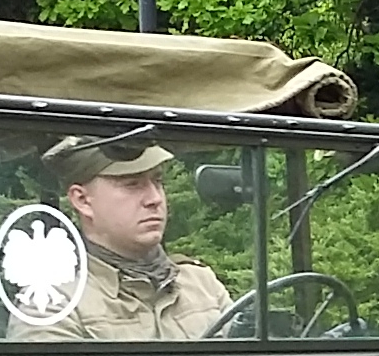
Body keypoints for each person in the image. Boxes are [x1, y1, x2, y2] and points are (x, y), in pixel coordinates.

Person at [12, 140, 230, 340]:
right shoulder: (52, 304)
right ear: (83, 200)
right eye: (132, 184)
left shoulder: (201, 283)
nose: (155, 199)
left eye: (157, 181)